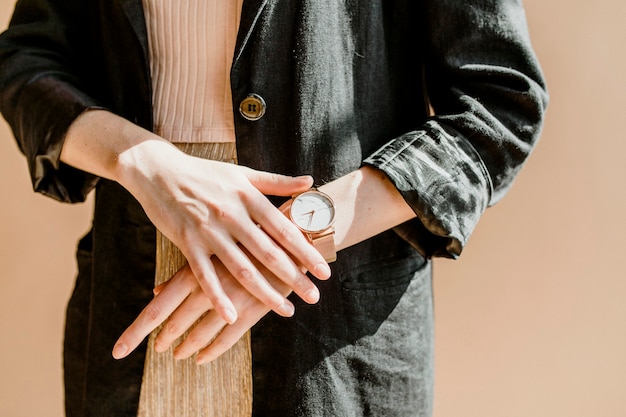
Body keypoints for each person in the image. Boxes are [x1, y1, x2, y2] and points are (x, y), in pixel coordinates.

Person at [0, 0, 548, 416]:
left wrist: (289, 240)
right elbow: (26, 61)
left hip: (333, 331)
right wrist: (141, 162)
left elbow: (498, 108)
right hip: (140, 302)